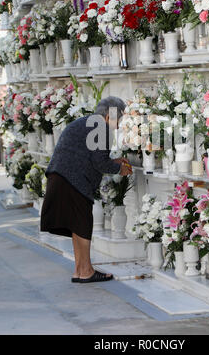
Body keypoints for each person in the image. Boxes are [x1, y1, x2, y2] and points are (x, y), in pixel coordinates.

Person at [40, 96, 132, 283]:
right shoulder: (102, 128)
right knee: (83, 225)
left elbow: (90, 156)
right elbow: (99, 163)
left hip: (60, 178)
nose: (119, 125)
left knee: (77, 225)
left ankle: (80, 270)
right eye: (118, 119)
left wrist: (113, 162)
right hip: (72, 181)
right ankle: (86, 271)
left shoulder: (86, 122)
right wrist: (120, 168)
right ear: (109, 116)